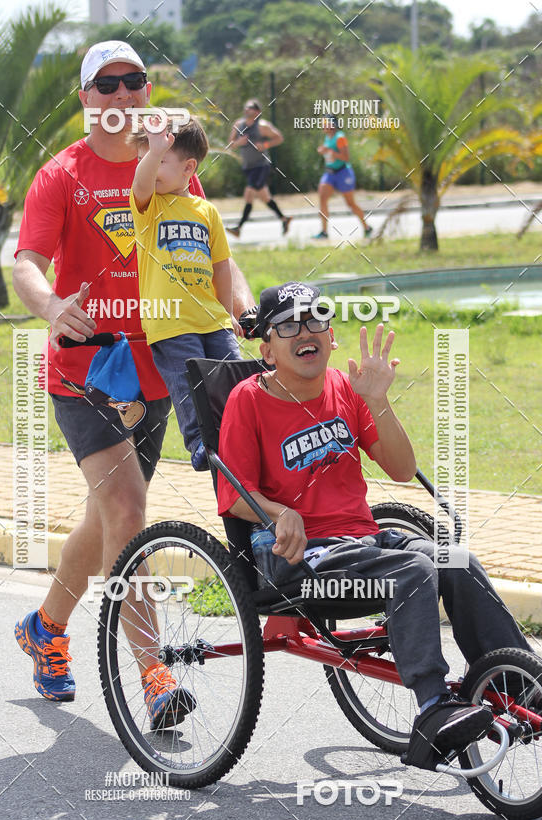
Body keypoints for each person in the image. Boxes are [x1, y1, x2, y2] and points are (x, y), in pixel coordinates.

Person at [12, 41, 253, 727]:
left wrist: (247, 311)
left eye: (133, 83)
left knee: (109, 515)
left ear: (147, 93)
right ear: (86, 98)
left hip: (162, 367)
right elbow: (27, 261)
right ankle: (152, 672)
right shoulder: (61, 175)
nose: (121, 96)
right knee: (125, 508)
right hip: (87, 367)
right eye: (106, 86)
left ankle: (45, 628)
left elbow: (216, 258)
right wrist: (52, 306)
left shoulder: (175, 165)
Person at [217, 281, 534, 755]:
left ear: (331, 336)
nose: (305, 331)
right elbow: (233, 493)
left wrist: (378, 400)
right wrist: (283, 513)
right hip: (301, 563)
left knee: (455, 559)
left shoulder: (346, 388)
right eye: (288, 325)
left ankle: (520, 684)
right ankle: (432, 707)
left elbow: (402, 470)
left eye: (315, 320)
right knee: (413, 571)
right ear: (266, 348)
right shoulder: (248, 400)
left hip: (362, 543)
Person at [129, 116, 242, 472]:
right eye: (144, 158)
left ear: (188, 168)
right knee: (189, 380)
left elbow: (221, 267)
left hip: (211, 318)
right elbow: (141, 181)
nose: (148, 165)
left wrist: (226, 315)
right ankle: (201, 444)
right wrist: (155, 152)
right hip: (171, 320)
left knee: (232, 374)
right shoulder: (148, 207)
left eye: (160, 159)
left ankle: (239, 434)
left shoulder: (206, 211)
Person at [226, 98, 292, 239]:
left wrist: (266, 145)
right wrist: (238, 142)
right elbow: (230, 144)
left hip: (261, 166)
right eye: (246, 107)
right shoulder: (238, 124)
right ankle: (284, 219)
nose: (246, 109)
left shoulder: (263, 126)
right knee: (264, 197)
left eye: (250, 107)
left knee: (249, 193)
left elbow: (279, 138)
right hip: (248, 167)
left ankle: (239, 227)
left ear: (257, 112)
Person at [314, 119, 372, 240]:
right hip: (330, 172)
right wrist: (323, 150)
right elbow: (329, 151)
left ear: (332, 124)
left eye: (326, 123)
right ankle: (324, 232)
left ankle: (367, 227)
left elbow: (346, 157)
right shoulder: (327, 137)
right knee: (322, 198)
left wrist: (331, 152)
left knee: (350, 203)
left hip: (343, 172)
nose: (323, 125)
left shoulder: (340, 137)